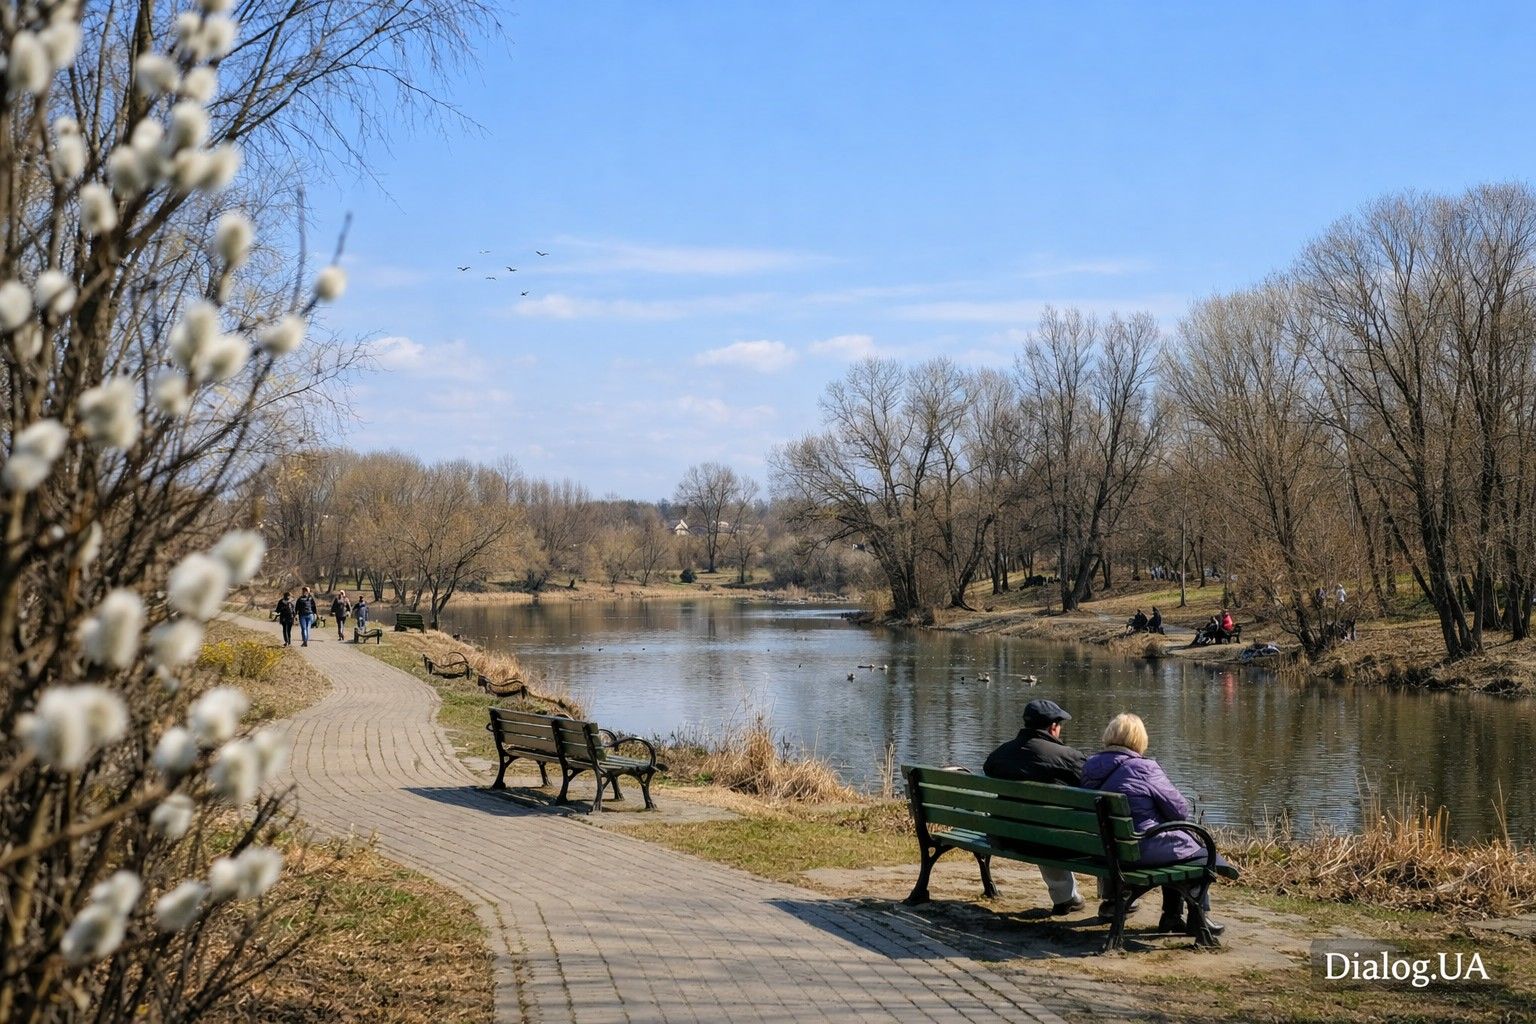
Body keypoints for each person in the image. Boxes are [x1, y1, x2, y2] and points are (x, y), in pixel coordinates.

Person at [1081, 713, 1238, 936]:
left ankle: (1172, 917)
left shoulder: (1090, 765)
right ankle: (1197, 917)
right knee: (1203, 855)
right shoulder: (1144, 768)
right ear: (1139, 740)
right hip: (1136, 851)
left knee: (1175, 844)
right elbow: (1180, 810)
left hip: (1104, 849)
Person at [983, 698, 1088, 916]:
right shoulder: (1068, 757)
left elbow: (988, 768)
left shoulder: (1001, 755)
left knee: (1041, 824)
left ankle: (1066, 897)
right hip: (1047, 838)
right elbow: (1092, 782)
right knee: (1058, 828)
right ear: (1053, 727)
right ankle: (1095, 900)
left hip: (1006, 834)